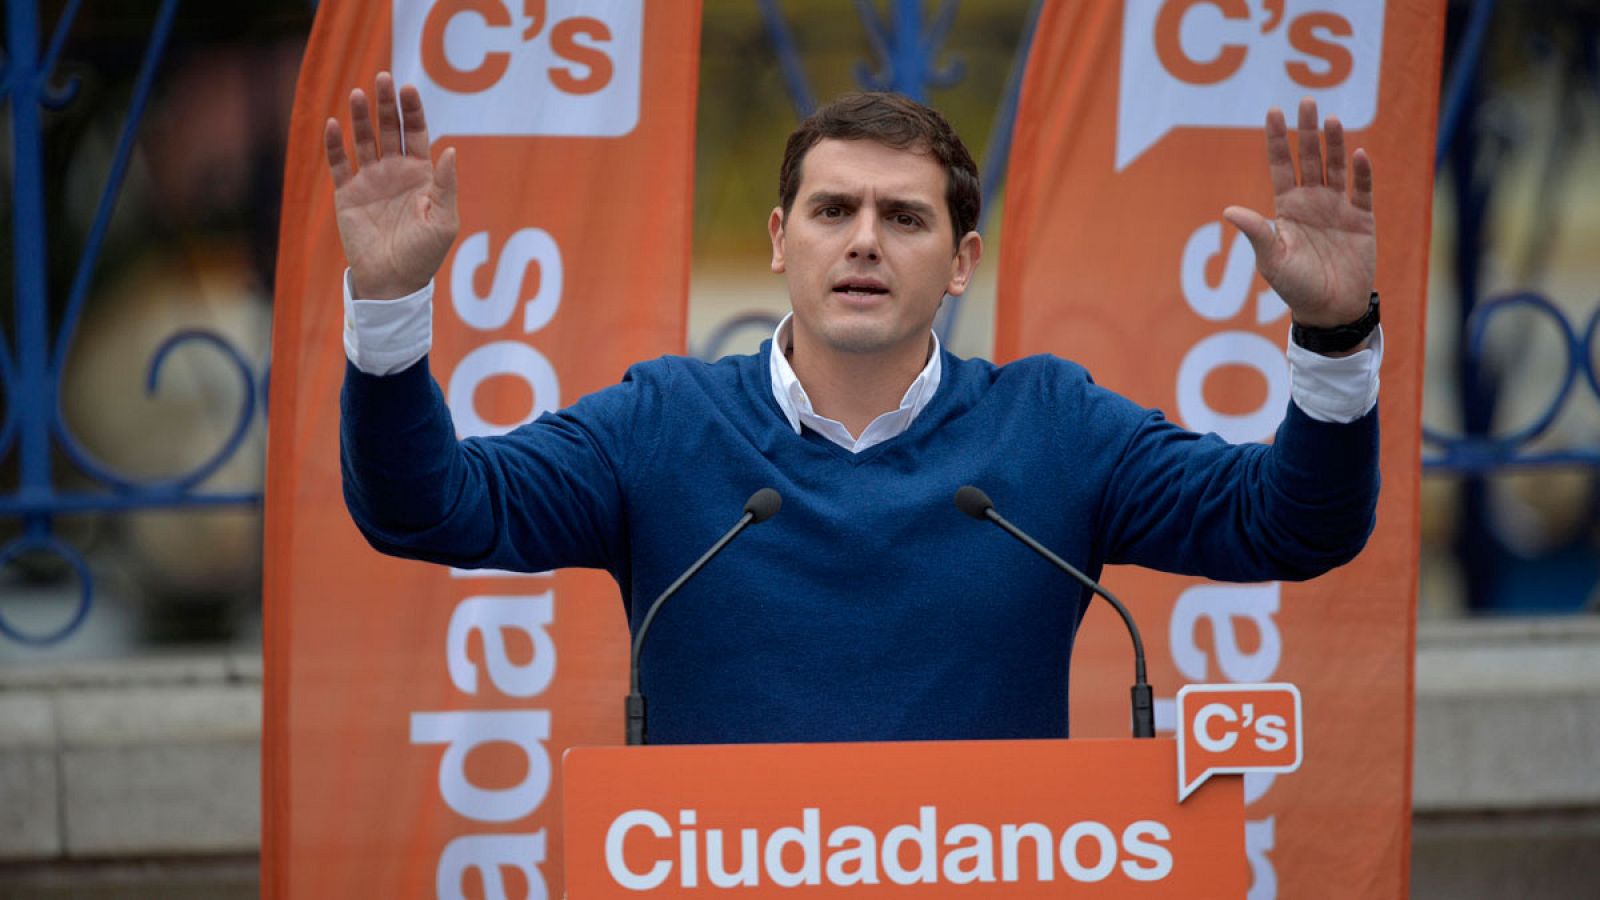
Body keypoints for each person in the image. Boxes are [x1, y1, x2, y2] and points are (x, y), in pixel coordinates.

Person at [328, 73, 1381, 744]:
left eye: (904, 217)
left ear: (962, 261)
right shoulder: (663, 425)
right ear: (783, 240)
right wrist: (388, 308)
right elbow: (430, 509)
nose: (865, 239)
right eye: (834, 210)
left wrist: (1333, 337)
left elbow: (1290, 524)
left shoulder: (1053, 427)